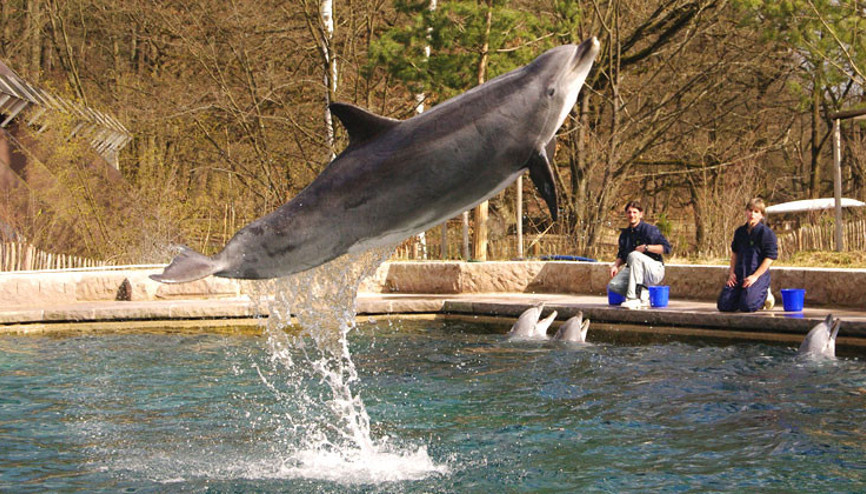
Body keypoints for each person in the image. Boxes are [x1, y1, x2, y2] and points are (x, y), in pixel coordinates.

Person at [608, 200, 672, 309]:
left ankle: (633, 298)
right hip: (635, 270)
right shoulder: (624, 234)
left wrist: (647, 248)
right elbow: (622, 254)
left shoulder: (650, 230)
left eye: (634, 212)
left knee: (634, 255)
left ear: (640, 214)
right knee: (614, 285)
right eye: (629, 212)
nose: (631, 215)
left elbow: (666, 248)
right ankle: (643, 293)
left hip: (654, 270)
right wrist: (615, 265)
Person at [717, 198, 778, 312]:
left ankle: (765, 296)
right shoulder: (740, 232)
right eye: (750, 210)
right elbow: (735, 253)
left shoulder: (766, 233)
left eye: (756, 212)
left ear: (762, 215)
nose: (752, 214)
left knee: (748, 306)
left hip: (757, 275)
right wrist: (731, 273)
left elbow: (770, 258)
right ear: (746, 212)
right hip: (740, 274)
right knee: (723, 305)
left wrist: (755, 276)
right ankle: (742, 294)